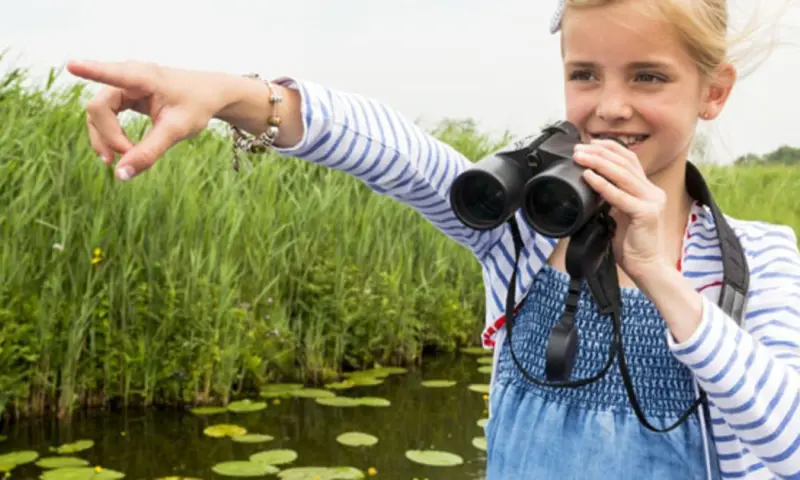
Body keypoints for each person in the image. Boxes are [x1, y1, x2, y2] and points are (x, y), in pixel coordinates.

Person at [66, 0, 800, 478]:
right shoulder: (522, 233)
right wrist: (234, 94)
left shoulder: (758, 261)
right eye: (584, 75)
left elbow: (788, 441)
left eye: (648, 77)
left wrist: (660, 277)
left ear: (713, 90)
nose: (610, 108)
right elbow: (399, 154)